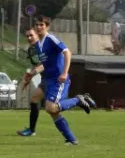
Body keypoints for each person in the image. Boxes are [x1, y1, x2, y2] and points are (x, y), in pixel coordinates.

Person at [24, 15, 96, 145]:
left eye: (42, 25)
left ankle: (78, 100)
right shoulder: (39, 44)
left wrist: (64, 72)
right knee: (53, 111)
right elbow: (46, 64)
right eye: (37, 25)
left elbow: (67, 52)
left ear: (47, 27)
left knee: (51, 108)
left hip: (58, 80)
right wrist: (32, 74)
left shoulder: (51, 39)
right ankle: (71, 139)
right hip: (49, 80)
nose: (39, 27)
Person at [17, 27, 45, 136]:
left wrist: (32, 74)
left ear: (37, 35)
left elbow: (44, 65)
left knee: (52, 107)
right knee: (34, 101)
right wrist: (28, 79)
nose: (29, 38)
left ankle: (78, 101)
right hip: (45, 78)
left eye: (31, 35)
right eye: (27, 36)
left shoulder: (43, 47)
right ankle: (31, 130)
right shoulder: (31, 50)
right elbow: (36, 65)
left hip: (54, 77)